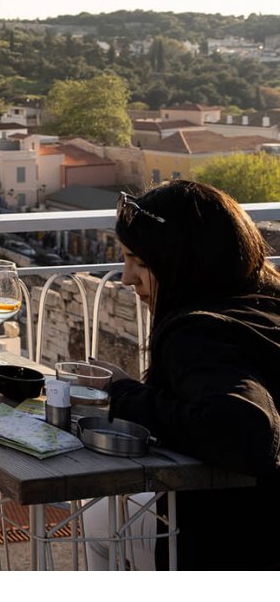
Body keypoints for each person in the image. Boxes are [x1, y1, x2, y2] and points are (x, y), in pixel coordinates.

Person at [86, 181, 280, 570]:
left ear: (183, 264)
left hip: (234, 545)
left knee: (99, 516)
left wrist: (121, 393)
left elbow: (249, 427)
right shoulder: (265, 306)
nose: (126, 278)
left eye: (139, 262)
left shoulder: (195, 333)